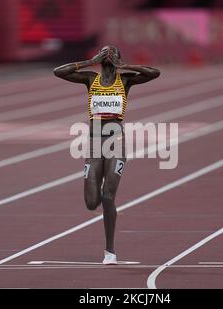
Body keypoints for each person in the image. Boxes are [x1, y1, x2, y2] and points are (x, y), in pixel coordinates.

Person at [54, 46, 160, 264]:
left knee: (108, 196)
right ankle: (108, 245)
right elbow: (59, 72)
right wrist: (89, 61)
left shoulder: (125, 80)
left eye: (112, 53)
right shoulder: (90, 78)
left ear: (118, 59)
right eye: (105, 53)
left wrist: (125, 66)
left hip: (116, 143)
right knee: (92, 202)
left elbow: (154, 73)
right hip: (94, 143)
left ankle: (109, 251)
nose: (108, 55)